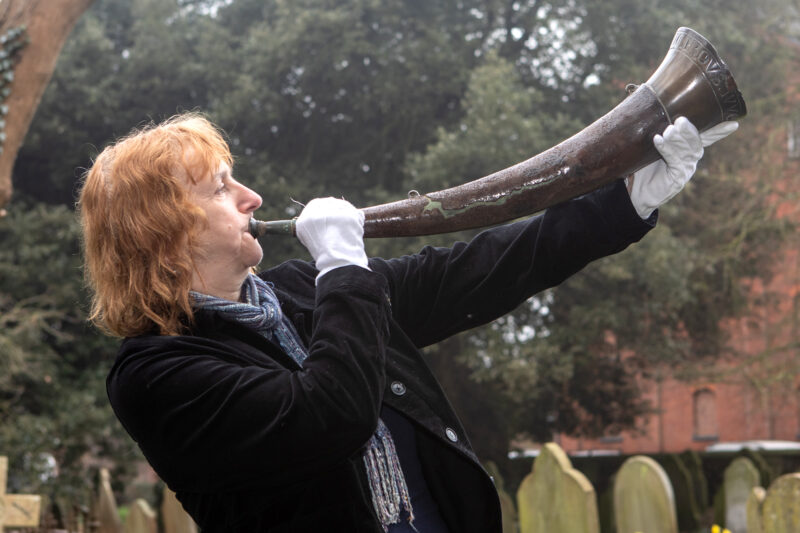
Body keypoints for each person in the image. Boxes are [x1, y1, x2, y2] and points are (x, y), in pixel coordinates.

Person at [78, 112, 737, 532]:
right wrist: (341, 266)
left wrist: (622, 203)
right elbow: (329, 416)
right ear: (164, 230)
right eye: (222, 187)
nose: (251, 197)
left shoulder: (305, 291)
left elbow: (474, 271)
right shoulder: (158, 373)